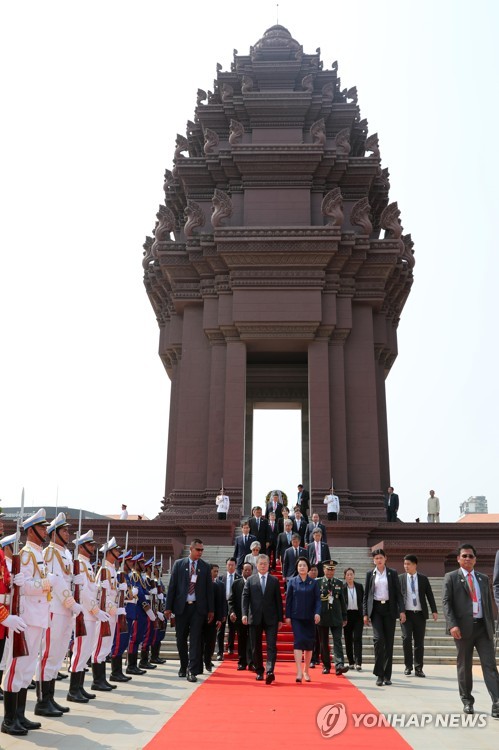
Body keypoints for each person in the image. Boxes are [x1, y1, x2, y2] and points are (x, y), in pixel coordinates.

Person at [2, 509, 52, 735]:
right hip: (26, 617)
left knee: (28, 667)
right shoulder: (25, 554)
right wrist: (46, 584)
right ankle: (9, 719)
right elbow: (23, 588)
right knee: (17, 667)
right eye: (42, 528)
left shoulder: (39, 554)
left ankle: (20, 715)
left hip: (38, 617)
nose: (45, 531)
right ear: (31, 531)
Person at [442, 543, 499, 716]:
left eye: (471, 556)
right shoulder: (451, 577)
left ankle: (497, 702)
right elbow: (446, 603)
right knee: (464, 666)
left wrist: (492, 625)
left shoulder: (482, 578)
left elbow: (488, 604)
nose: (467, 559)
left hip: (483, 628)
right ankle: (467, 701)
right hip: (462, 630)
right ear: (458, 559)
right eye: (464, 556)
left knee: (490, 666)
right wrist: (452, 624)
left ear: (475, 559)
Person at [37, 512, 84, 715]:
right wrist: (70, 602)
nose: (68, 533)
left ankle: (51, 697)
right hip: (55, 609)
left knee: (57, 656)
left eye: (68, 530)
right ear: (54, 533)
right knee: (48, 655)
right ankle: (42, 701)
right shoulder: (50, 552)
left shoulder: (66, 553)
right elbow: (54, 581)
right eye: (65, 530)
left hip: (65, 611)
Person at [69, 529, 111, 703]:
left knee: (86, 652)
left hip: (90, 616)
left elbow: (92, 590)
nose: (93, 547)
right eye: (90, 545)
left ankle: (79, 687)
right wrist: (95, 610)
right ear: (81, 546)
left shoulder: (87, 565)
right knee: (79, 652)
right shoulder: (79, 563)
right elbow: (84, 593)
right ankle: (73, 690)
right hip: (84, 615)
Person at [165, 538, 214, 683]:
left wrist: (211, 610)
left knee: (195, 639)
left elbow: (209, 590)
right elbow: (172, 586)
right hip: (182, 607)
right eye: (198, 549)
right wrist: (168, 607)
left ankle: (191, 670)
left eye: (202, 550)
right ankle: (183, 665)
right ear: (191, 549)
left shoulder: (205, 567)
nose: (200, 552)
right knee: (181, 638)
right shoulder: (179, 564)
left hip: (198, 609)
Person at [363, 548, 405, 686]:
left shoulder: (392, 573)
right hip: (376, 610)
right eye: (376, 558)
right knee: (378, 640)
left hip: (389, 609)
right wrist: (365, 613)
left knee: (388, 643)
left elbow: (399, 594)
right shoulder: (370, 574)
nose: (379, 560)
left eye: (381, 557)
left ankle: (387, 676)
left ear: (385, 558)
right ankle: (379, 674)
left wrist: (402, 611)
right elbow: (366, 596)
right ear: (373, 560)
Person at [242, 554, 283, 684]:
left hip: (271, 619)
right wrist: (244, 614)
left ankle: (270, 671)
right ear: (257, 565)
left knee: (271, 645)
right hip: (255, 618)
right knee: (256, 646)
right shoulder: (250, 580)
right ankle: (260, 671)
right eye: (261, 563)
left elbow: (278, 601)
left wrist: (280, 619)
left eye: (266, 563)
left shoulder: (274, 580)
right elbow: (245, 597)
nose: (264, 565)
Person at [399, 554, 438, 678]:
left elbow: (430, 595)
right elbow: (398, 597)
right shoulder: (401, 578)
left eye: (408, 564)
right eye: (404, 564)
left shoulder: (423, 579)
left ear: (415, 565)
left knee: (419, 642)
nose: (406, 566)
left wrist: (434, 610)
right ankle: (408, 666)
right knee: (406, 639)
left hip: (420, 614)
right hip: (406, 614)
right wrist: (400, 612)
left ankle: (418, 668)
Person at [285, 557, 321, 682]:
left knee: (309, 645)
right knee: (299, 642)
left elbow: (318, 600)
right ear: (297, 567)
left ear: (308, 568)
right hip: (297, 618)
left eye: (304, 565)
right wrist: (288, 616)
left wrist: (317, 613)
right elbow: (288, 600)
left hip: (310, 618)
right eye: (300, 565)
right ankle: (299, 671)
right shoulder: (292, 582)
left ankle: (306, 670)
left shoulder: (314, 583)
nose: (302, 567)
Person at [316, 561, 348, 675]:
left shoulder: (339, 583)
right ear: (324, 570)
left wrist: (344, 616)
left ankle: (339, 665)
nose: (330, 571)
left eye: (332, 569)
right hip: (323, 617)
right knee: (323, 642)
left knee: (338, 641)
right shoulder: (318, 582)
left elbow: (343, 602)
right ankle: (326, 665)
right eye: (328, 569)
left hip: (336, 616)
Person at [228, 562, 253, 671]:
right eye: (245, 570)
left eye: (249, 570)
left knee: (252, 640)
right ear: (242, 570)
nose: (247, 572)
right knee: (242, 640)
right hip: (239, 616)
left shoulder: (255, 582)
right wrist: (232, 612)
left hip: (252, 617)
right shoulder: (236, 583)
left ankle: (251, 662)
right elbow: (231, 600)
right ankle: (242, 662)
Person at [202, 565, 225, 673]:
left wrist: (219, 618)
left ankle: (207, 661)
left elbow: (220, 603)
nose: (216, 573)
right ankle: (199, 661)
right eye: (214, 571)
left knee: (211, 642)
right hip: (200, 618)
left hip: (213, 619)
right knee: (200, 642)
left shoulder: (217, 586)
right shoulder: (199, 585)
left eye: (217, 571)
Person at [216, 558, 239, 660]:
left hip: (233, 606)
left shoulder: (239, 578)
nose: (230, 567)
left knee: (232, 628)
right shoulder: (220, 578)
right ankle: (220, 651)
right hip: (222, 605)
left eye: (232, 565)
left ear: (236, 565)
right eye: (229, 565)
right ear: (226, 565)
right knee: (220, 629)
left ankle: (230, 647)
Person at [343, 567, 364, 671]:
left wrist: (365, 614)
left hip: (358, 616)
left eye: (351, 574)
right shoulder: (342, 588)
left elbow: (363, 601)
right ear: (345, 576)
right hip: (347, 616)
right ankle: (351, 661)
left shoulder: (359, 587)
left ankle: (358, 662)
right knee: (348, 639)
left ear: (354, 575)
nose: (350, 576)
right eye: (348, 575)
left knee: (357, 638)